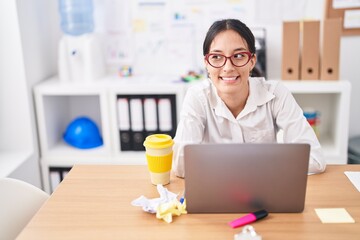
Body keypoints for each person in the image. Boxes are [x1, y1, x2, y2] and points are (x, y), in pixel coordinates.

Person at [172, 19, 326, 178]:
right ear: (207, 63)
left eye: (238, 56)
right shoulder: (197, 97)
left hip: (264, 192)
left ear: (252, 61)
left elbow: (315, 160)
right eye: (217, 57)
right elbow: (181, 166)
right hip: (216, 195)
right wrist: (265, 162)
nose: (228, 67)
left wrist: (219, 164)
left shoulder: (276, 94)